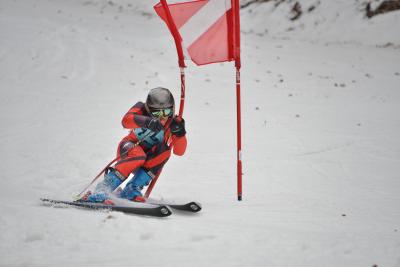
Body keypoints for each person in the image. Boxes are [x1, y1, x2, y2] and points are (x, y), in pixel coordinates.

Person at [82, 87, 187, 203]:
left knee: (164, 152)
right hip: (129, 147)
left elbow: (179, 152)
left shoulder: (173, 123)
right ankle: (103, 189)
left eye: (166, 112)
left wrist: (180, 133)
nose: (162, 117)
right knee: (138, 154)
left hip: (149, 158)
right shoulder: (141, 108)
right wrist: (147, 121)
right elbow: (126, 121)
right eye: (157, 113)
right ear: (149, 109)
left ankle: (131, 190)